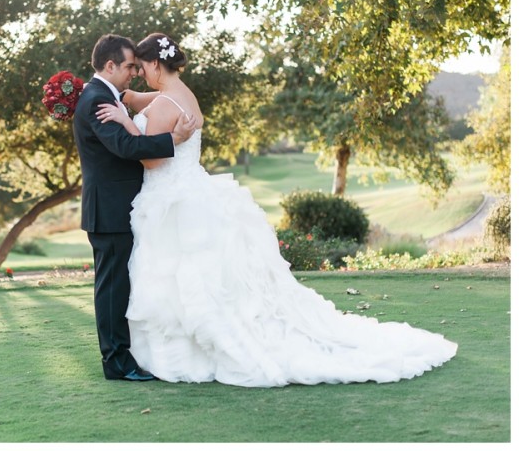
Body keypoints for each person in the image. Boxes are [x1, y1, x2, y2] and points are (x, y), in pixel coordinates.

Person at [95, 33, 457, 387]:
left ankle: (189, 352)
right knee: (206, 278)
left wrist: (125, 122)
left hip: (170, 200)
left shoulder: (162, 104)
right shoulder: (182, 96)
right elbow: (148, 101)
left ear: (155, 64)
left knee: (181, 278)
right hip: (192, 191)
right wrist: (123, 96)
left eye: (141, 68)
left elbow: (153, 160)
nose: (139, 74)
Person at [73, 34, 197, 381]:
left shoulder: (108, 94)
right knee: (112, 289)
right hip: (109, 210)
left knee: (120, 286)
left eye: (138, 66)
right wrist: (175, 138)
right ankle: (116, 363)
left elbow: (147, 101)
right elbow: (127, 147)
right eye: (129, 67)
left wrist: (130, 104)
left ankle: (127, 356)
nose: (133, 73)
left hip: (118, 207)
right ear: (109, 66)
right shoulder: (98, 99)